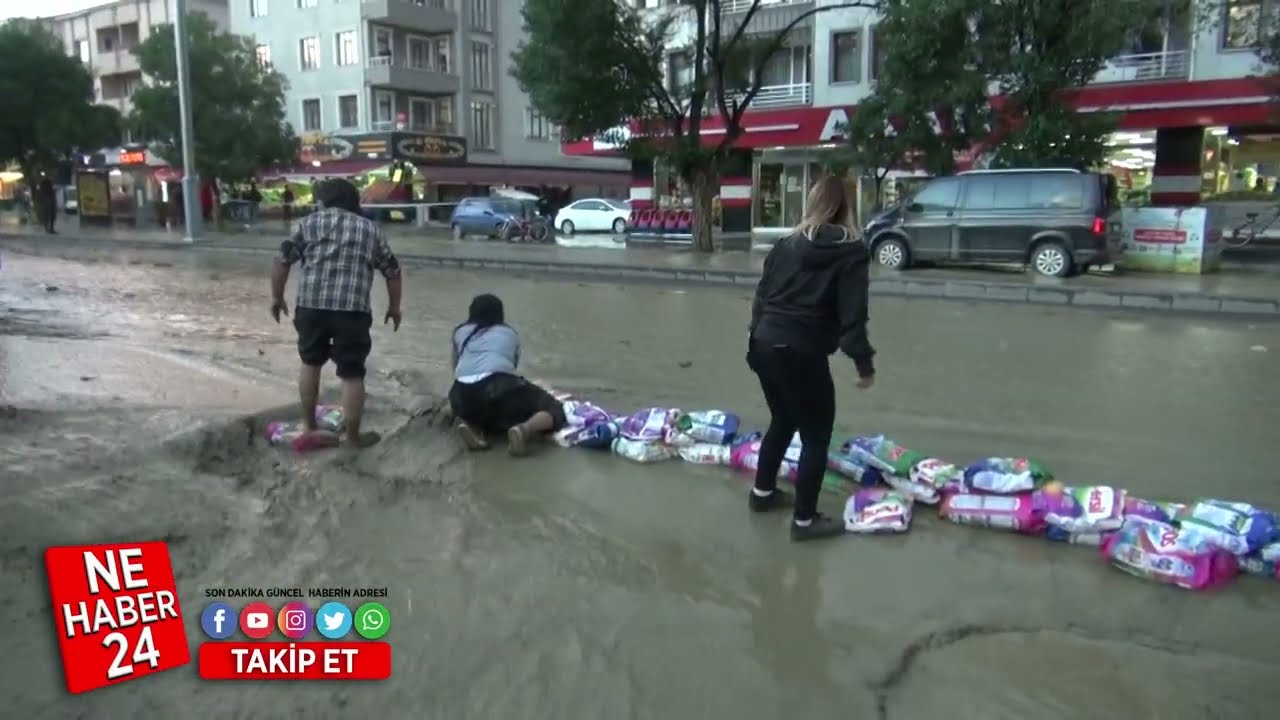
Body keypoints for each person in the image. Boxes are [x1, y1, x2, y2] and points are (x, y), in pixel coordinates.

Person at [746, 175, 876, 542]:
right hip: (801, 351)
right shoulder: (852, 251)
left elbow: (761, 298)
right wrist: (864, 366)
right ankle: (804, 522)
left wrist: (755, 345)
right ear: (848, 206)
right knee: (816, 436)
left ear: (812, 202)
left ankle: (763, 494)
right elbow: (853, 316)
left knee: (783, 419)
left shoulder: (784, 244)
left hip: (764, 344)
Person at [269, 177, 403, 449]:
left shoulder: (308, 224)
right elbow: (392, 271)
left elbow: (282, 261)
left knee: (310, 363)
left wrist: (277, 297)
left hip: (311, 307)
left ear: (324, 201)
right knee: (352, 373)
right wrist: (393, 307)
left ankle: (309, 425)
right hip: (352, 311)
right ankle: (353, 438)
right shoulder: (370, 230)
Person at [449, 294, 567, 456]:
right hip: (499, 386)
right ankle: (523, 430)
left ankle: (474, 429)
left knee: (476, 408)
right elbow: (510, 368)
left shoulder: (459, 332)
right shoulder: (509, 333)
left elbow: (455, 366)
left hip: (459, 392)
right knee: (554, 409)